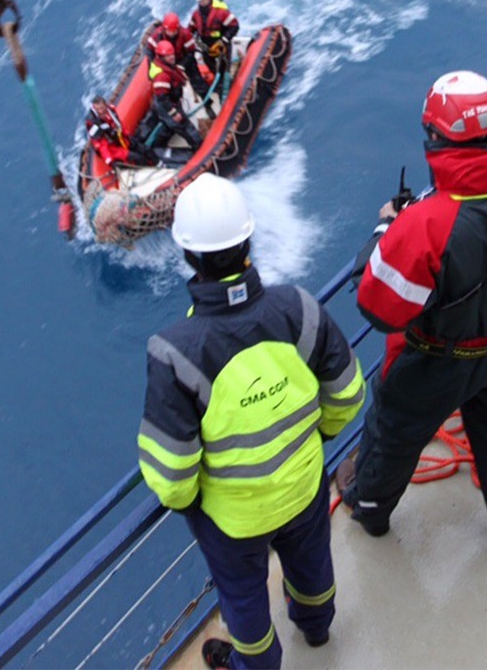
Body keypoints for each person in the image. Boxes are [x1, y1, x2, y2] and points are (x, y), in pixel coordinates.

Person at [338, 70, 487, 557]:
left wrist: (387, 231)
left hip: (435, 362)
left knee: (395, 433)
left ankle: (371, 508)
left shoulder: (423, 225)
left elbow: (379, 309)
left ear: (433, 139)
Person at [138, 174, 365, 670]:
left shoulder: (174, 351)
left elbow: (173, 477)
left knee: (243, 600)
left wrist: (202, 500)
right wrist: (314, 440)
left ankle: (256, 665)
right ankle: (317, 626)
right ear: (247, 241)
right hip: (303, 485)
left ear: (188, 255)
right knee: (312, 565)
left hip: (233, 519)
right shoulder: (299, 308)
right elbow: (348, 394)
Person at [137, 39, 205, 155]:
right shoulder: (162, 77)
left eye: (172, 54)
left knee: (169, 126)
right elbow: (163, 99)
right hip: (168, 106)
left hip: (169, 102)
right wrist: (174, 113)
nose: (172, 57)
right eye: (168, 56)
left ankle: (157, 144)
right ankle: (199, 148)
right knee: (185, 128)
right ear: (161, 57)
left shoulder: (167, 66)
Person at [145, 11, 214, 96]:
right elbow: (149, 52)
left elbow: (191, 52)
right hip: (166, 63)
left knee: (197, 80)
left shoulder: (185, 34)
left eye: (174, 31)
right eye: (170, 31)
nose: (172, 33)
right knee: (172, 87)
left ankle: (207, 101)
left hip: (183, 59)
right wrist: (153, 69)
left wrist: (182, 65)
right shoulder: (157, 36)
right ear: (165, 28)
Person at [84, 95, 155, 175]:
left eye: (102, 108)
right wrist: (109, 160)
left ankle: (158, 164)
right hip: (113, 149)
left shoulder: (111, 110)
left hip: (120, 139)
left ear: (105, 105)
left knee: (145, 149)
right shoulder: (94, 124)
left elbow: (119, 125)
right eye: (98, 110)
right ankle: (150, 172)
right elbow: (101, 145)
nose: (101, 111)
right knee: (138, 158)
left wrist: (127, 135)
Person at [190, 0, 241, 88]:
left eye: (204, 0)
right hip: (206, 46)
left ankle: (227, 83)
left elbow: (234, 26)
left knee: (224, 65)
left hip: (222, 45)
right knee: (210, 63)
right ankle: (219, 83)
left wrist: (223, 41)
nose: (203, 3)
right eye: (200, 1)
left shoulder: (221, 13)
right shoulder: (196, 15)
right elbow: (191, 29)